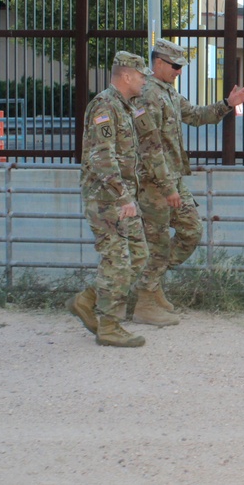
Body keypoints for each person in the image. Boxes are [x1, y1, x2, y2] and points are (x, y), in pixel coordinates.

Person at [130, 38, 244, 325]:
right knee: (159, 243)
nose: (179, 71)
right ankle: (144, 302)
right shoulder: (148, 94)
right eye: (175, 66)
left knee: (190, 231)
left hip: (172, 180)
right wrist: (167, 187)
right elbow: (151, 147)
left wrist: (227, 104)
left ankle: (151, 284)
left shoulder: (168, 93)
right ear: (158, 62)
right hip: (155, 184)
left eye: (181, 66)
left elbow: (196, 116)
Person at [67, 51, 167, 347]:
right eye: (140, 76)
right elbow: (101, 157)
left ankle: (88, 301)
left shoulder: (126, 106)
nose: (144, 81)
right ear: (126, 76)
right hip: (106, 200)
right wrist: (123, 196)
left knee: (138, 254)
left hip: (123, 198)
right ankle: (108, 326)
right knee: (118, 260)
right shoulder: (105, 106)